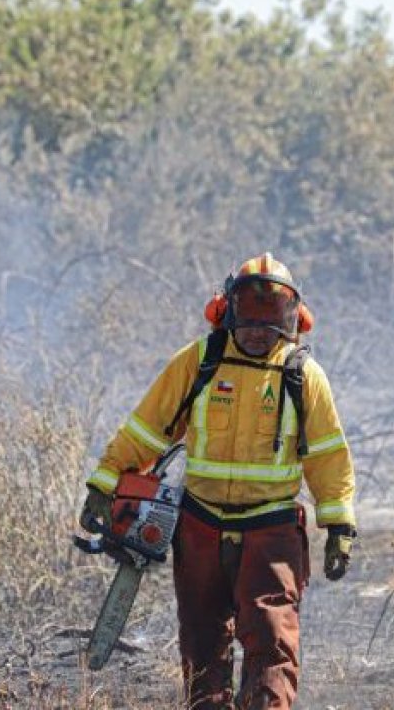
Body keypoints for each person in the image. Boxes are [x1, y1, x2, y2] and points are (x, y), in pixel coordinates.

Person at [81, 252, 356, 709]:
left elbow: (329, 456)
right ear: (227, 310)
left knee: (271, 636)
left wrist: (340, 525)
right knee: (202, 639)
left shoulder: (302, 375)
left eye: (271, 318)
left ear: (292, 318)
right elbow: (147, 430)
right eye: (249, 316)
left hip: (271, 529)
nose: (258, 330)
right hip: (201, 525)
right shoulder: (200, 361)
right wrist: (103, 483)